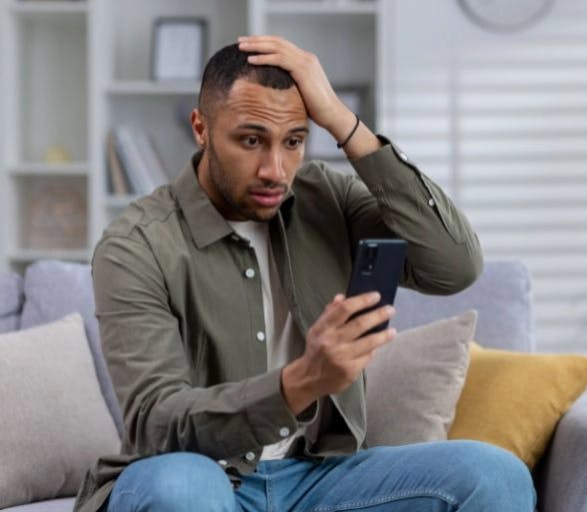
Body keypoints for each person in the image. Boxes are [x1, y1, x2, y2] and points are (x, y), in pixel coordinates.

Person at [75, 36, 536, 512]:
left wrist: (342, 120)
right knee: (181, 492)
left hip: (319, 477)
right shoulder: (136, 243)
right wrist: (303, 381)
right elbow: (157, 421)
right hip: (201, 472)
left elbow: (454, 265)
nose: (276, 169)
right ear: (201, 128)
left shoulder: (328, 199)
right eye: (251, 140)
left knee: (495, 477)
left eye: (293, 141)